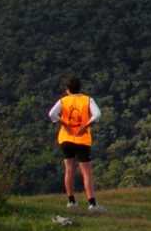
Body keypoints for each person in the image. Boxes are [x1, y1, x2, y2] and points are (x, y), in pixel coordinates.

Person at [48, 76, 103, 211]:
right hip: (82, 139)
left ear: (67, 90)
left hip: (66, 138)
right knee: (86, 172)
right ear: (80, 88)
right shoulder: (87, 100)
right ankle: (92, 203)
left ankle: (71, 201)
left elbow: (52, 114)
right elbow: (97, 114)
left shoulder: (63, 101)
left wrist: (64, 123)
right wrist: (85, 126)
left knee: (69, 170)